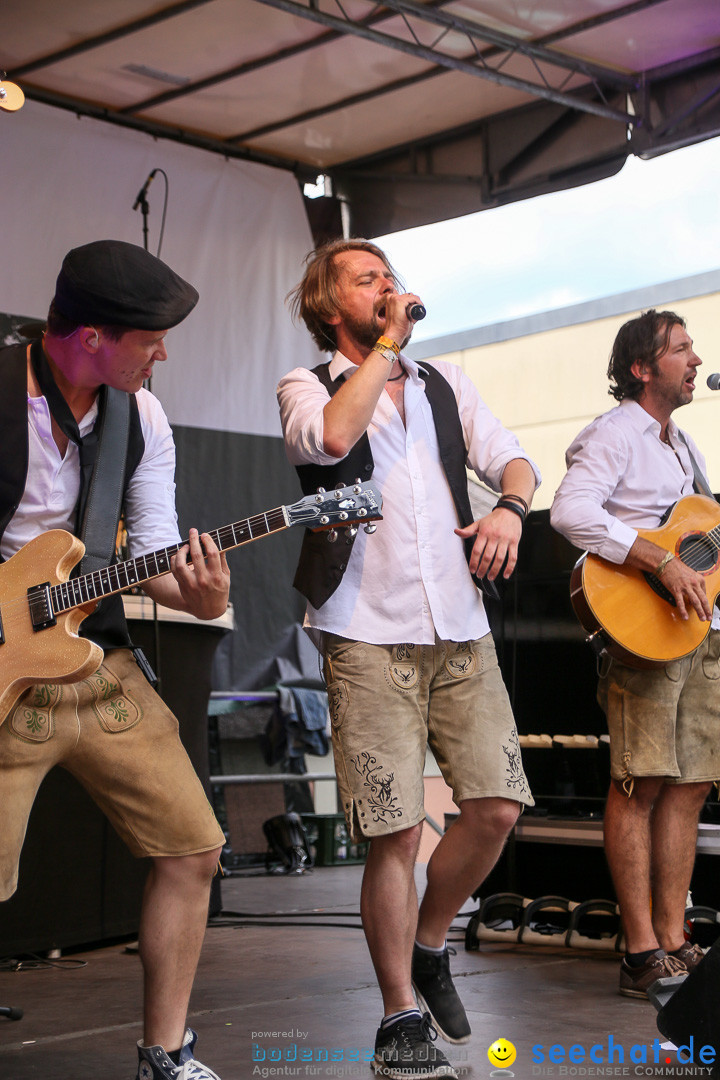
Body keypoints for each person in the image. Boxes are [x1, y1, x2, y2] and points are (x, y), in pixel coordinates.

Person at [277, 238, 539, 1079]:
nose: (389, 287)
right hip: (362, 627)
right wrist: (386, 346)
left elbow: (517, 460)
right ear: (330, 306)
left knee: (497, 808)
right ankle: (399, 1015)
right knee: (391, 834)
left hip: (460, 626)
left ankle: (430, 945)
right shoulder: (305, 385)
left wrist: (510, 508)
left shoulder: (443, 383)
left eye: (391, 276)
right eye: (368, 280)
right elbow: (327, 440)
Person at [0, 240, 231, 1079]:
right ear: (92, 336)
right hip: (3, 675)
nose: (164, 351)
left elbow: (158, 553)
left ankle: (165, 1054)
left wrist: (198, 596)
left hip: (95, 658)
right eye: (151, 335)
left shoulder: (144, 416)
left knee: (191, 849)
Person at [550, 308, 717, 999]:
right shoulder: (615, 433)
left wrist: (689, 567)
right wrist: (657, 560)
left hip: (699, 631)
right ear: (643, 368)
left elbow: (700, 535)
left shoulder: (684, 446)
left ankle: (675, 939)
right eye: (680, 350)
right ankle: (639, 950)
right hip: (642, 632)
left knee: (689, 786)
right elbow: (570, 512)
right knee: (640, 784)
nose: (695, 359)